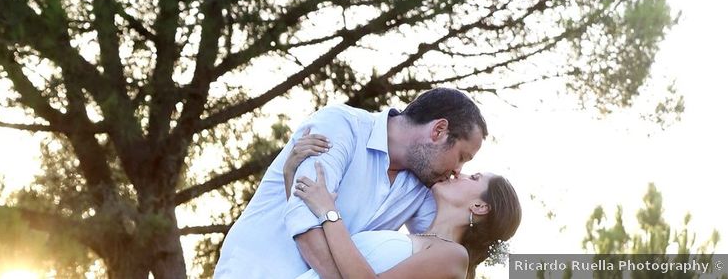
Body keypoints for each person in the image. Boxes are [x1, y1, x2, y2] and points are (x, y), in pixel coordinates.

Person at [214, 88, 488, 279]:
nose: (458, 170)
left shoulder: (426, 185)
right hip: (257, 270)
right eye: (461, 156)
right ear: (438, 131)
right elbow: (304, 222)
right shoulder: (341, 126)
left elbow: (439, 250)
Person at [289, 157, 521, 279]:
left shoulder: (455, 256)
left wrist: (329, 212)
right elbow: (325, 265)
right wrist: (291, 176)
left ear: (480, 206)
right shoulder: (415, 239)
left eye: (474, 178)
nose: (460, 172)